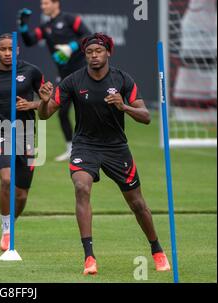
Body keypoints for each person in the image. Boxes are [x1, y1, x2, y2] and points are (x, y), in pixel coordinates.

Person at [38, 33, 171, 275]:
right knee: (81, 187)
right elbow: (45, 115)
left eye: (99, 51)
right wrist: (45, 102)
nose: (94, 56)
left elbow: (146, 117)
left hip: (116, 148)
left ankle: (157, 250)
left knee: (137, 203)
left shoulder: (122, 79)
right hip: (85, 146)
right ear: (85, 55)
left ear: (108, 52)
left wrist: (124, 106)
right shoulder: (72, 81)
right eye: (89, 52)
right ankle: (89, 257)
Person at [0, 33, 44, 251]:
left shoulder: (31, 72)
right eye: (3, 49)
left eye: (11, 49)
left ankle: (11, 224)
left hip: (27, 134)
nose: (7, 53)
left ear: (18, 50)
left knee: (21, 194)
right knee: (6, 179)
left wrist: (33, 105)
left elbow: (50, 101)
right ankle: (5, 229)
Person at [18, 0, 91, 162]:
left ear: (55, 3)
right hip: (64, 76)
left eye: (46, 3)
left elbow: (88, 36)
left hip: (81, 72)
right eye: (42, 4)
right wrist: (23, 26)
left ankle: (87, 147)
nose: (43, 7)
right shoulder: (46, 27)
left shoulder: (70, 19)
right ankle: (71, 149)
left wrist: (71, 47)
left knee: (84, 109)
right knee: (62, 111)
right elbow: (30, 41)